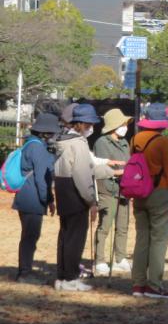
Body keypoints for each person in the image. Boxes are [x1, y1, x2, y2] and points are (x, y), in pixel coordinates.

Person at [130, 103, 168, 299]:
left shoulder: (135, 139)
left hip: (139, 192)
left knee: (142, 238)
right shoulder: (163, 142)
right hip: (160, 193)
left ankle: (138, 284)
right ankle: (154, 285)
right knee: (159, 240)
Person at [53, 103, 99, 292]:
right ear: (80, 123)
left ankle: (62, 277)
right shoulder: (78, 144)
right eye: (89, 124)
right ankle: (71, 278)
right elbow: (82, 176)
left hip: (63, 191)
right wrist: (92, 200)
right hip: (76, 194)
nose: (91, 127)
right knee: (76, 238)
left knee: (65, 236)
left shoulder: (61, 140)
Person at [12, 112, 58, 283]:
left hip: (24, 196)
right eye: (52, 132)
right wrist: (48, 199)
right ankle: (24, 273)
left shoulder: (29, 144)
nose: (54, 135)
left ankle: (25, 271)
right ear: (45, 132)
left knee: (28, 235)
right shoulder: (38, 148)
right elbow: (41, 178)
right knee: (31, 236)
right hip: (33, 199)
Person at [93, 108, 133, 275]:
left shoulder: (125, 142)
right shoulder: (102, 142)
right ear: (115, 125)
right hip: (107, 189)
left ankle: (120, 258)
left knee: (123, 226)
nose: (126, 126)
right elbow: (104, 166)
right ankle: (100, 260)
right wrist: (122, 171)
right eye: (123, 123)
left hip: (124, 190)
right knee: (105, 226)